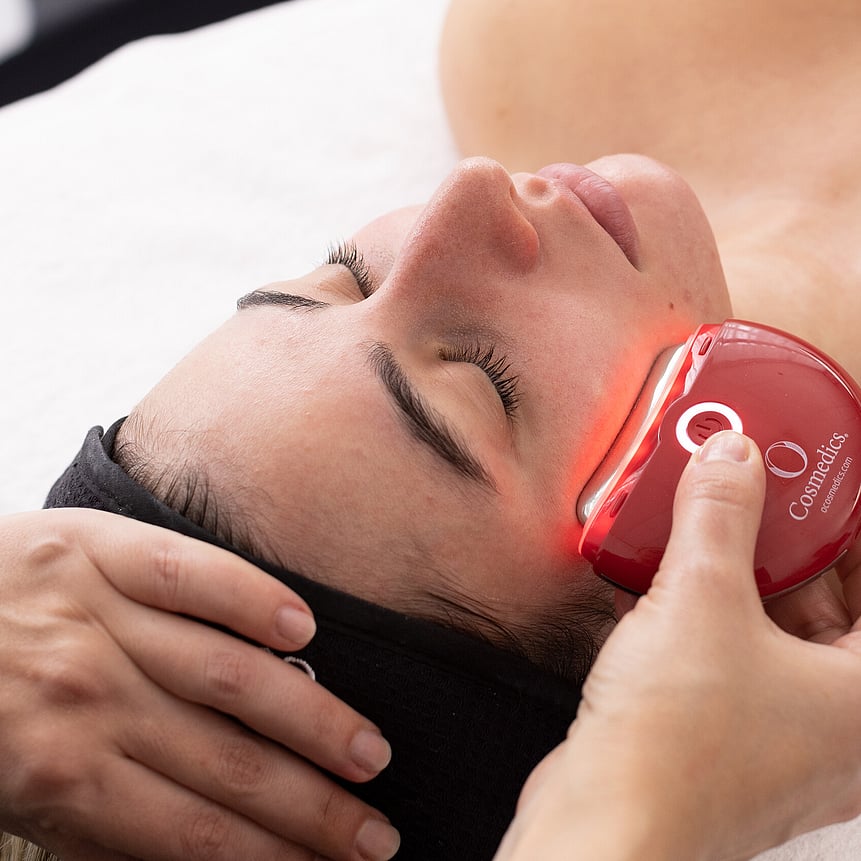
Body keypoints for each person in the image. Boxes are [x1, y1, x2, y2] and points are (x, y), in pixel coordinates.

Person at [6, 0, 861, 857]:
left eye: (345, 277)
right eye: (481, 383)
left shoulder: (556, 43)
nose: (468, 191)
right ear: (668, 586)